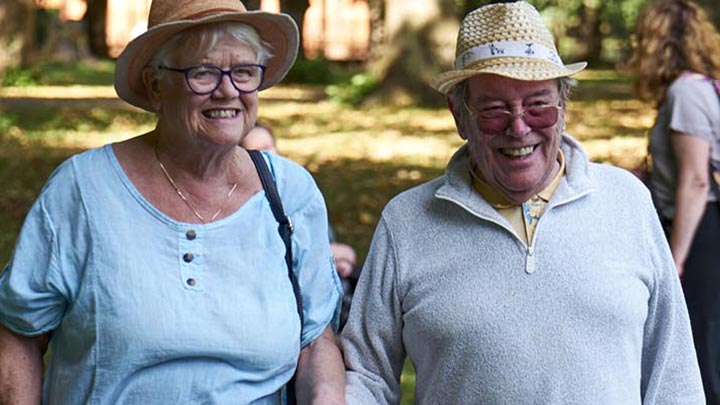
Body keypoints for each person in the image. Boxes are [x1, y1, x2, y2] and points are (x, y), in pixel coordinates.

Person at [340, 2, 704, 404]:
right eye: (494, 109)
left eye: (538, 105)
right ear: (459, 115)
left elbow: (673, 373)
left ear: (564, 106)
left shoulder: (626, 201)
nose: (518, 127)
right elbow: (367, 374)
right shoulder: (407, 221)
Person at [0, 0, 345, 403]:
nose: (228, 90)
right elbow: (19, 331)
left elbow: (316, 339)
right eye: (203, 72)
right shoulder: (83, 190)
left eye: (244, 72)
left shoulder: (289, 191)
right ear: (155, 85)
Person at [630, 0, 720, 402]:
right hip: (699, 226)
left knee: (700, 345)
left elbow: (697, 180)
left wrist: (675, 259)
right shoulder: (695, 86)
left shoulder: (686, 91)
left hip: (699, 231)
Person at [241, 123, 360, 328]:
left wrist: (337, 260)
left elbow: (331, 252)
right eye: (257, 151)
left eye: (269, 147)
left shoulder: (297, 191)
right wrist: (335, 254)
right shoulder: (247, 206)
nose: (266, 155)